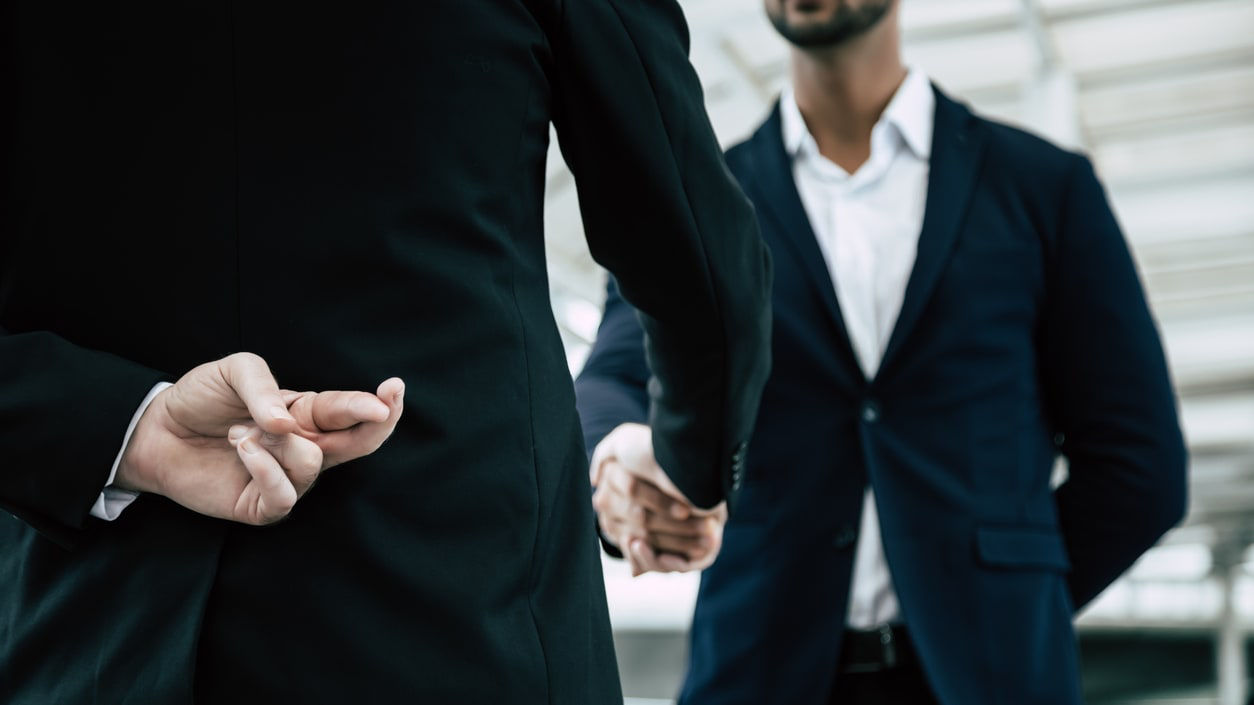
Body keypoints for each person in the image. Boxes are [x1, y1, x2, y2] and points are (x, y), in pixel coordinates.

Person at [0, 1, 772, 703]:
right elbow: (701, 258)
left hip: (85, 645)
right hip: (464, 629)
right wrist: (688, 464)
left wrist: (131, 428)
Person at [575, 0, 1188, 703]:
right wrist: (615, 463)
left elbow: (1141, 467)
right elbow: (610, 379)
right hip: (760, 670)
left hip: (989, 679)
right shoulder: (702, 198)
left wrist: (1013, 601)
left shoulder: (1044, 189)